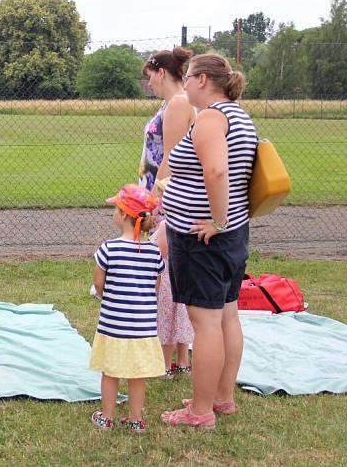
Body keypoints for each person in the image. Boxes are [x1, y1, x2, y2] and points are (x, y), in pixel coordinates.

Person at [160, 53, 257, 430]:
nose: (184, 84)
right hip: (230, 237)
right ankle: (221, 397)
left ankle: (199, 412)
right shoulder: (239, 117)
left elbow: (217, 171)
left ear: (202, 81)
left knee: (206, 323)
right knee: (227, 314)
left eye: (188, 78)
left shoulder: (212, 119)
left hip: (205, 239)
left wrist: (218, 220)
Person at [89, 184, 166, 433]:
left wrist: (103, 294)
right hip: (143, 328)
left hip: (113, 325)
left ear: (123, 215)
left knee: (110, 372)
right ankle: (135, 420)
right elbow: (156, 284)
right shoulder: (154, 252)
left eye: (116, 207)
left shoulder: (108, 249)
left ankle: (107, 417)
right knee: (137, 374)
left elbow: (98, 283)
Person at [140, 47, 196, 378]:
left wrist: (152, 202)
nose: (149, 84)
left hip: (165, 201)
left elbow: (170, 160)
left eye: (150, 78)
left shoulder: (177, 104)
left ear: (161, 72)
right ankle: (178, 356)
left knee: (165, 277)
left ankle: (171, 357)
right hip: (157, 195)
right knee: (170, 274)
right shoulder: (170, 103)